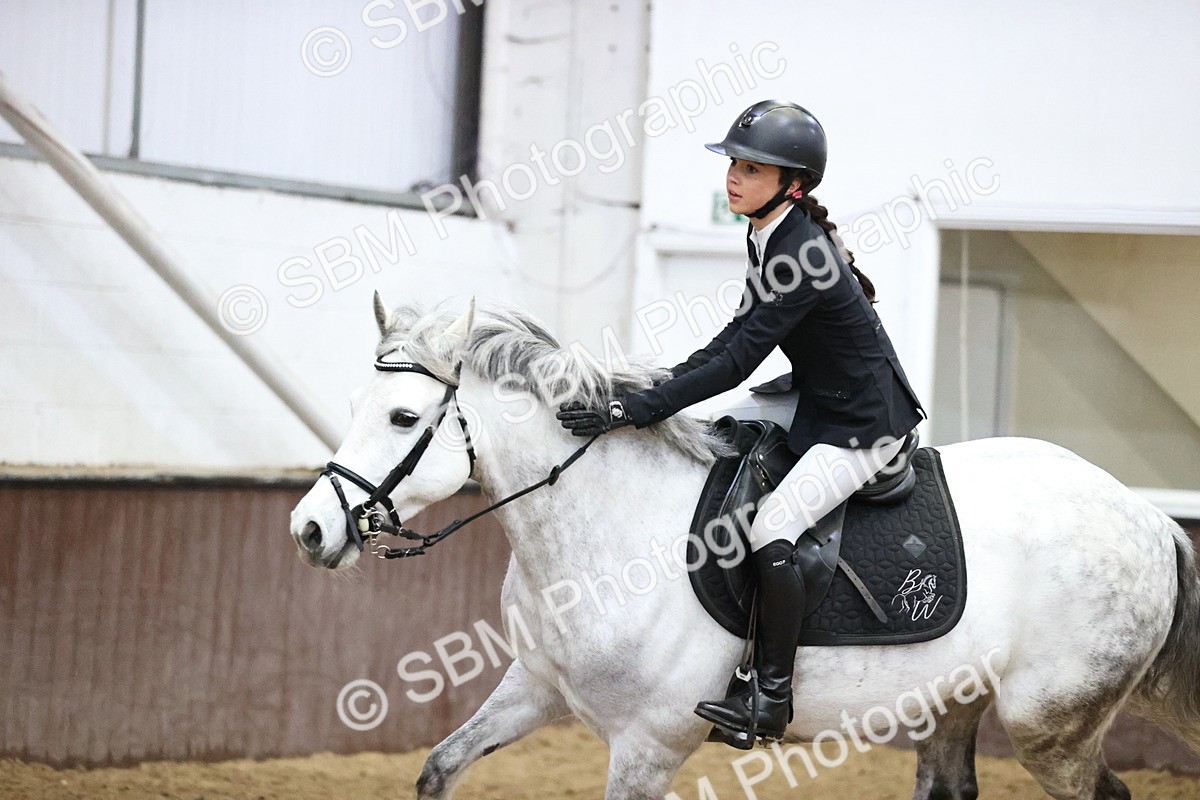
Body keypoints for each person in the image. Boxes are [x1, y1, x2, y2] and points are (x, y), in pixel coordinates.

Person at [557, 99, 926, 745]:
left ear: (793, 183)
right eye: (734, 163)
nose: (734, 178)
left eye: (752, 169)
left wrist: (633, 410)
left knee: (770, 526)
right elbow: (731, 340)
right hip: (818, 396)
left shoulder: (801, 251)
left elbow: (733, 361)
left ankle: (770, 698)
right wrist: (645, 390)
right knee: (721, 433)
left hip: (864, 422)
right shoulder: (768, 230)